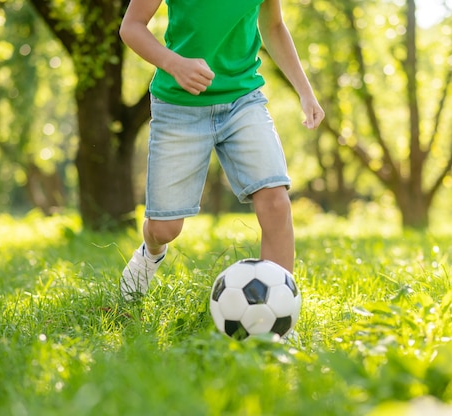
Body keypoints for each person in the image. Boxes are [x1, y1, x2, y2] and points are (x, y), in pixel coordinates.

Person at [118, 0, 325, 300]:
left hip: (243, 99)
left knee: (276, 203)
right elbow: (131, 26)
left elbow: (274, 26)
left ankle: (278, 315)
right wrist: (175, 64)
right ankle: (149, 254)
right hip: (179, 105)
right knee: (165, 229)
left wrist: (305, 92)